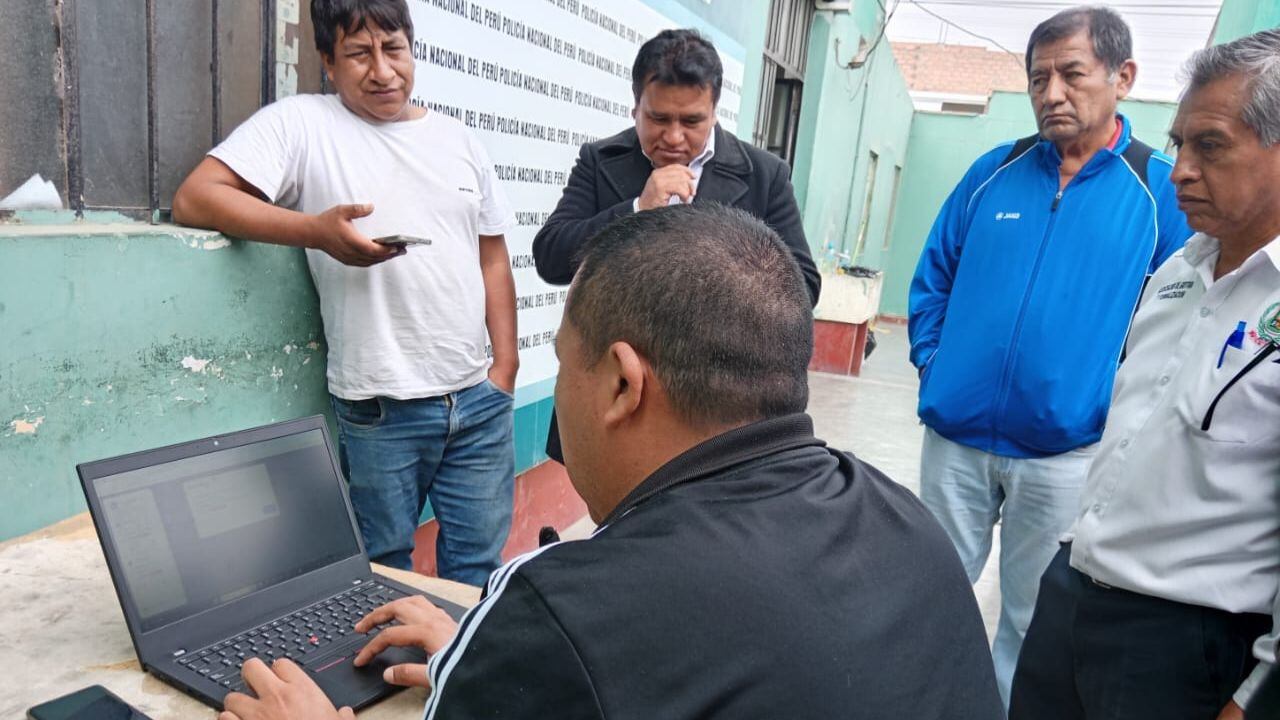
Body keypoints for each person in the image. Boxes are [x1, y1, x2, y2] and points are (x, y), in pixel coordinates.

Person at [216, 204, 1004, 720]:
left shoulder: (568, 609)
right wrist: (490, 664)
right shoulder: (903, 519)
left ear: (623, 384)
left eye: (565, 362)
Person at [171, 0, 517, 585]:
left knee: (478, 572)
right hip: (380, 406)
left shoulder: (458, 139)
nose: (382, 71)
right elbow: (196, 198)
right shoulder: (303, 124)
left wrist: (504, 369)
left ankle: (462, 652)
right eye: (359, 54)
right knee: (381, 571)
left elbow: (491, 255)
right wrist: (315, 232)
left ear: (412, 48)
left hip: (477, 402)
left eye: (394, 49)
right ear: (328, 62)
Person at [906, 5, 1192, 701]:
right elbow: (934, 274)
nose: (1052, 93)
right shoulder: (993, 171)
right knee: (926, 597)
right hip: (956, 441)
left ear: (1123, 76)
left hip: (1064, 455)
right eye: (1038, 79)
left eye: (1072, 74)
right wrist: (935, 362)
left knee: (1032, 621)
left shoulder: (1159, 192)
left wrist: (1106, 407)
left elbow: (1181, 321)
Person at [1009, 28, 1280, 720]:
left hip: (1185, 643)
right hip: (1074, 598)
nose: (1181, 169)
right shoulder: (1176, 274)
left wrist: (1257, 695)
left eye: (1210, 146)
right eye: (1179, 143)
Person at [533, 28, 820, 464]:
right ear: (636, 106)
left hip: (722, 399)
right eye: (658, 119)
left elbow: (802, 285)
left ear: (714, 111)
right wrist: (636, 209)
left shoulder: (764, 175)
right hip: (622, 391)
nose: (672, 137)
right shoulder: (600, 161)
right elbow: (551, 256)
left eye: (691, 122)